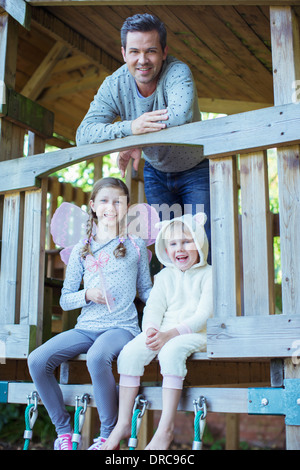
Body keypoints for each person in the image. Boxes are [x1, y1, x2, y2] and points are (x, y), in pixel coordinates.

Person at [28, 177, 152, 450]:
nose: (111, 206)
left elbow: (146, 290)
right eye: (104, 201)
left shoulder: (136, 245)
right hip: (86, 327)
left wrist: (165, 311)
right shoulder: (81, 250)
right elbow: (65, 300)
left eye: (118, 201)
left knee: (97, 356)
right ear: (93, 206)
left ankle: (107, 436)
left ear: (127, 206)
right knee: (37, 360)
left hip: (121, 327)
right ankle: (64, 432)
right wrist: (88, 294)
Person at [76, 13, 211, 263]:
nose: (142, 60)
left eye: (150, 51)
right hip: (156, 173)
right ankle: (172, 302)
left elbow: (179, 115)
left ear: (163, 52)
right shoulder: (114, 84)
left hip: (196, 170)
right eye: (135, 51)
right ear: (124, 53)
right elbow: (84, 134)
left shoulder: (178, 71)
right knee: (167, 246)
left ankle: (209, 301)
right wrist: (130, 129)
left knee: (201, 243)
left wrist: (138, 140)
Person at [101, 211, 213, 450]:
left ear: (200, 242)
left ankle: (165, 430)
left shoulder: (209, 275)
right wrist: (151, 330)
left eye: (186, 241)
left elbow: (203, 316)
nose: (179, 248)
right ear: (166, 248)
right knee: (129, 353)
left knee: (170, 352)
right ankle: (122, 423)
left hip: (196, 333)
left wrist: (169, 335)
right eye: (173, 243)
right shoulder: (163, 276)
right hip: (162, 332)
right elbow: (153, 309)